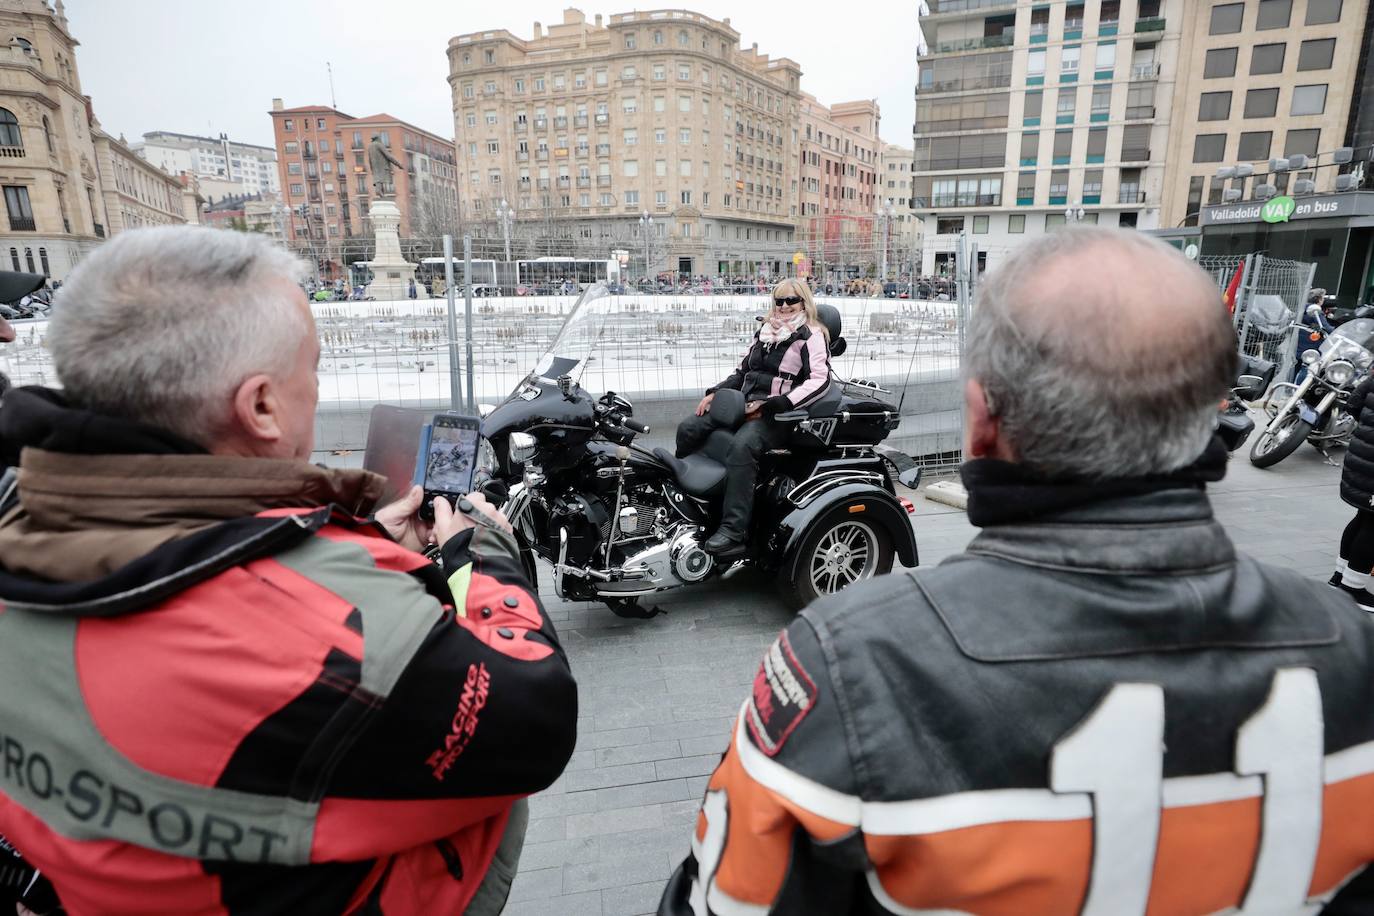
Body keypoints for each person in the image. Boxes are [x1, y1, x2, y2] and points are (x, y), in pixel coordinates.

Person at [659, 227, 1374, 915]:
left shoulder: (849, 663)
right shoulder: (1352, 651)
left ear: (981, 419)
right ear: (1219, 414)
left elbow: (722, 902)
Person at [0, 227, 578, 914]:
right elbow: (536, 723)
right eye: (314, 368)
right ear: (262, 407)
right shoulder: (334, 627)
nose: (318, 386)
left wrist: (345, 540)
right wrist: (479, 556)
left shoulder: (21, 517)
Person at [675, 278, 831, 556]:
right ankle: (687, 504)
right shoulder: (766, 331)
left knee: (741, 446)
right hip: (743, 405)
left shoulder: (812, 334)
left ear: (803, 302)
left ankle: (734, 531)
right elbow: (742, 372)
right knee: (689, 427)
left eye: (790, 300)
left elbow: (820, 380)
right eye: (779, 301)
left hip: (778, 416)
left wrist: (779, 404)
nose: (783, 306)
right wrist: (715, 393)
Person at [1331, 368, 1374, 609]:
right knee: (1371, 525)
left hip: (1361, 458)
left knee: (1363, 518)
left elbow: (1354, 404)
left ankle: (1339, 577)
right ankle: (1352, 588)